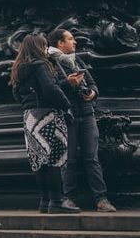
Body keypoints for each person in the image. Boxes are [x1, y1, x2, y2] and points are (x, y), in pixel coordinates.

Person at [47, 29, 117, 213]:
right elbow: (50, 89)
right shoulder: (50, 62)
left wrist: (92, 93)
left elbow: (93, 84)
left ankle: (101, 199)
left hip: (86, 113)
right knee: (68, 159)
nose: (75, 42)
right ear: (60, 43)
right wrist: (68, 84)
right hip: (67, 114)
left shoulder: (77, 60)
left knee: (92, 158)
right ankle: (68, 198)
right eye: (70, 39)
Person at [10, 33, 78, 214]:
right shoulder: (41, 64)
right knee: (55, 159)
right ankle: (57, 200)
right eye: (44, 46)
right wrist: (66, 105)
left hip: (30, 117)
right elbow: (50, 88)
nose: (47, 49)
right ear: (38, 47)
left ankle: (45, 200)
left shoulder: (18, 68)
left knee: (39, 160)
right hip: (48, 114)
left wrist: (28, 105)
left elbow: (16, 94)